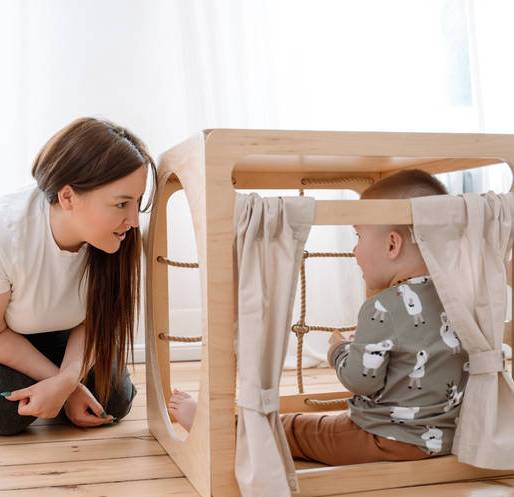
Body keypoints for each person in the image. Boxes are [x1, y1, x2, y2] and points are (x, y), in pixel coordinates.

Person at [169, 169, 469, 465]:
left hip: (383, 439)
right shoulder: (459, 298)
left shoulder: (383, 306)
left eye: (358, 235)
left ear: (392, 244)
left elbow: (360, 381)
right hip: (443, 438)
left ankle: (223, 432)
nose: (354, 249)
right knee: (329, 422)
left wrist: (338, 352)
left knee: (295, 429)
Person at [0, 117, 156, 435]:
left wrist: (65, 379)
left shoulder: (116, 237)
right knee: (3, 413)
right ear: (68, 197)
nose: (133, 220)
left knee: (113, 400)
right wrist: (68, 388)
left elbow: (94, 321)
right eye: (121, 204)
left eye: (138, 202)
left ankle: (46, 378)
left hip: (55, 324)